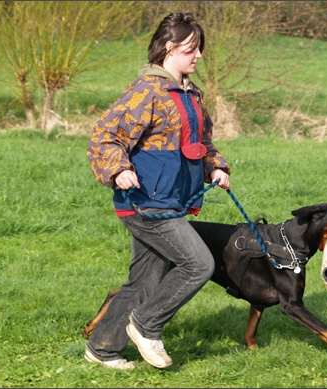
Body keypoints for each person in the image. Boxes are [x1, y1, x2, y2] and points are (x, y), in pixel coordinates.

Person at [85, 12, 231, 370]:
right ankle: (146, 326)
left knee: (145, 281)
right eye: (191, 49)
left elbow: (203, 141)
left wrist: (216, 165)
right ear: (169, 48)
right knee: (198, 264)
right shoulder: (146, 92)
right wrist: (118, 170)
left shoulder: (189, 94)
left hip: (171, 201)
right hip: (145, 203)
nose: (198, 56)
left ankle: (102, 348)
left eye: (199, 49)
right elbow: (105, 136)